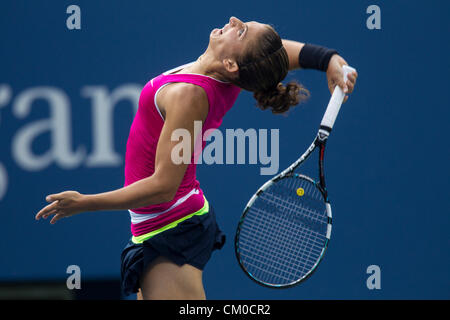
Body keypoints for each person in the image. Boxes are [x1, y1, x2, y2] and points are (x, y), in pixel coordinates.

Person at [35, 16, 357, 300]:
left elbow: (163, 186)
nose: (232, 20)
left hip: (171, 228)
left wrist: (86, 202)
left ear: (232, 64)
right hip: (162, 226)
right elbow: (276, 53)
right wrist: (327, 59)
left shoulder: (190, 96)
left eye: (241, 30)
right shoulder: (233, 71)